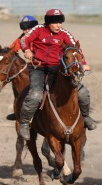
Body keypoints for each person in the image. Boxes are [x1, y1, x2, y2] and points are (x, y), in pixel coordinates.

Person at [18, 8, 96, 141]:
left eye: (61, 22)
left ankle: (86, 117)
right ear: (48, 22)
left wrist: (82, 63)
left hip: (58, 69)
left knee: (83, 92)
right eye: (56, 23)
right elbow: (25, 40)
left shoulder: (65, 34)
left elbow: (76, 49)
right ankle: (25, 124)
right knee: (35, 95)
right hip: (39, 69)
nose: (59, 25)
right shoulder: (37, 30)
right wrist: (26, 50)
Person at [5, 15, 39, 121]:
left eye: (28, 29)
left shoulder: (42, 36)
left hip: (47, 65)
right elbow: (11, 51)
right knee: (16, 79)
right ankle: (19, 109)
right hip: (31, 66)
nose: (25, 31)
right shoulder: (22, 39)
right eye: (24, 29)